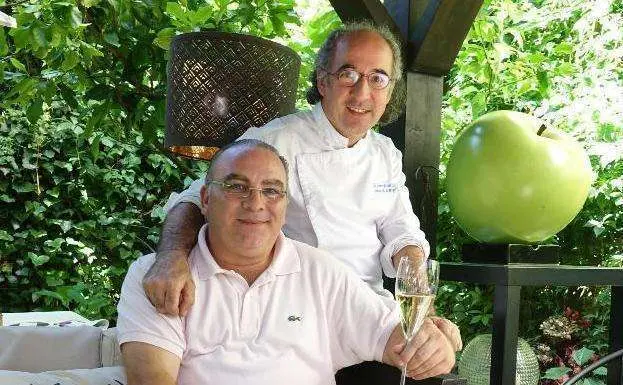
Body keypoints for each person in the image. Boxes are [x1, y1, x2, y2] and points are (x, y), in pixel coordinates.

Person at [144, 21, 462, 378]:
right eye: (348, 74)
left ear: (390, 92)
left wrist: (422, 308)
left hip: (369, 318)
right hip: (300, 321)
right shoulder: (278, 140)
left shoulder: (384, 152)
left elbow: (403, 233)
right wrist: (170, 257)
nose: (362, 92)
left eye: (378, 78)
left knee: (432, 358)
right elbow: (195, 199)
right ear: (323, 82)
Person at [117, 140, 455, 384]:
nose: (255, 203)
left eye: (272, 190)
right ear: (205, 199)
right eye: (237, 187)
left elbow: (400, 340)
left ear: (284, 203)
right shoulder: (159, 277)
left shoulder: (321, 272)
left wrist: (434, 346)